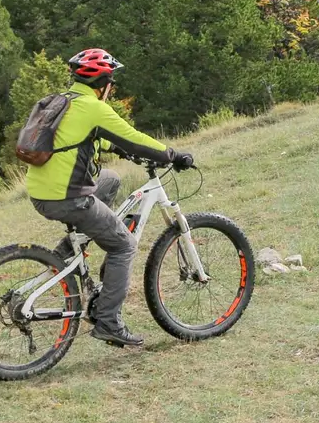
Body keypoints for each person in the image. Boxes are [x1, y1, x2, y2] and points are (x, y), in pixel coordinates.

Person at [24, 49, 193, 347]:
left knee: (110, 179)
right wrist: (172, 155)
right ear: (103, 83)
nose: (111, 89)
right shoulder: (94, 108)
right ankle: (108, 322)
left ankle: (71, 247)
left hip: (41, 192)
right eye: (111, 83)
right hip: (67, 198)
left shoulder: (64, 101)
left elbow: (87, 138)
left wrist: (115, 149)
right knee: (124, 247)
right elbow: (134, 137)